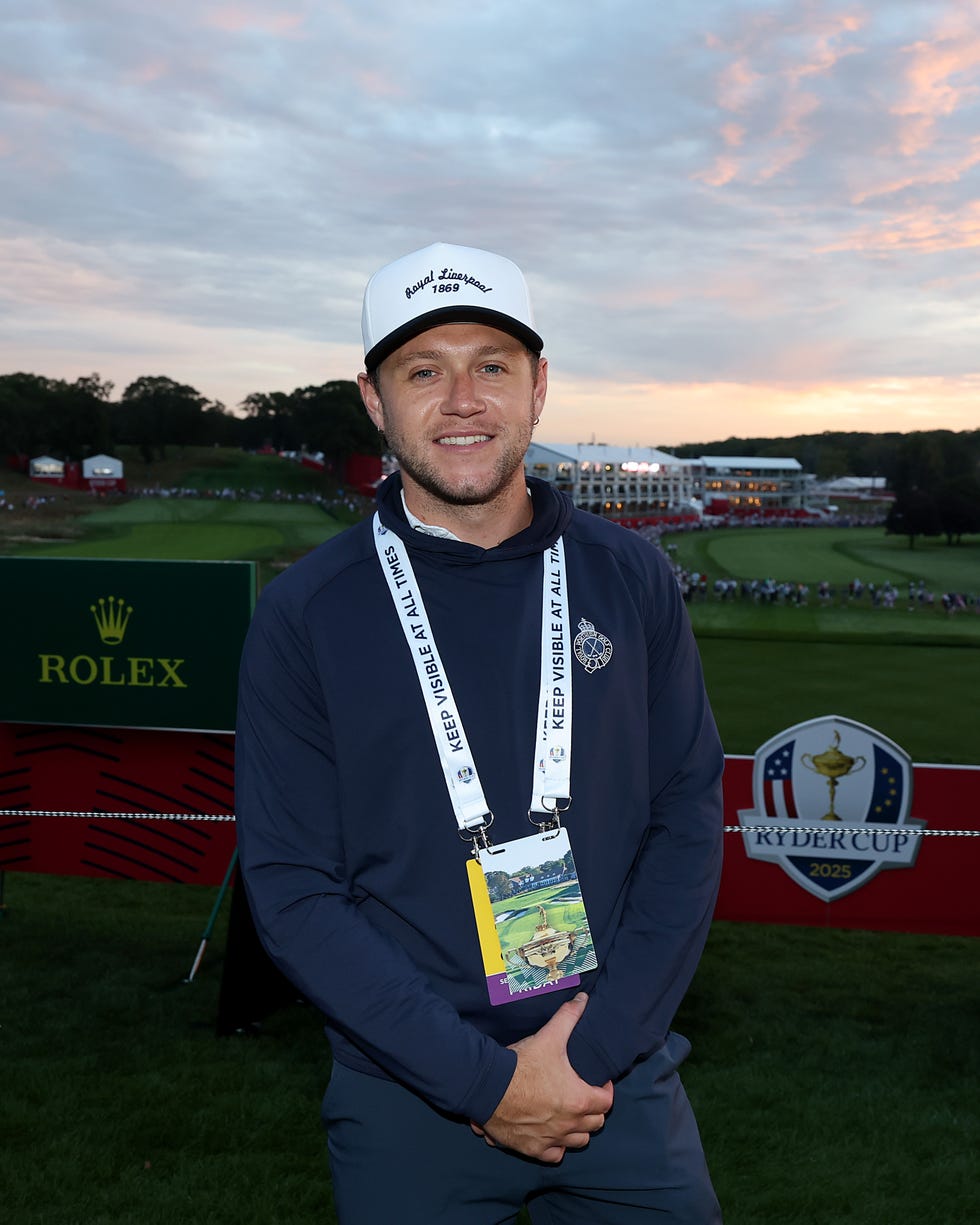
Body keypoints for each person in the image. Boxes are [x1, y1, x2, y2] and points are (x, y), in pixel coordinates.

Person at [235, 242, 724, 1223]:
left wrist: (580, 1057)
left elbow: (685, 814)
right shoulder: (306, 612)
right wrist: (483, 1084)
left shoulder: (628, 582)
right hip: (407, 1094)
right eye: (423, 370)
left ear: (538, 386)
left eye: (491, 365)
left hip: (613, 1078)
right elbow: (291, 887)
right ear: (373, 399)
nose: (462, 399)